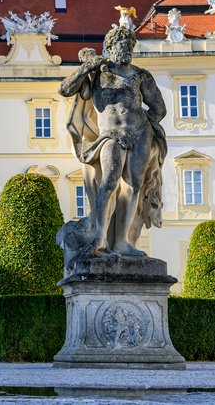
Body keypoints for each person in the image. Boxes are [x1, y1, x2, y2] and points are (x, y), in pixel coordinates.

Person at [57, 26, 167, 262]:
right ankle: (99, 237)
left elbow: (159, 108)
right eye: (121, 45)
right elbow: (65, 89)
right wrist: (87, 66)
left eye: (129, 46)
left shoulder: (141, 75)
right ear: (110, 48)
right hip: (109, 136)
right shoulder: (99, 74)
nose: (126, 50)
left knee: (135, 185)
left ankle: (121, 242)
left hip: (139, 134)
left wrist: (143, 123)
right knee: (109, 181)